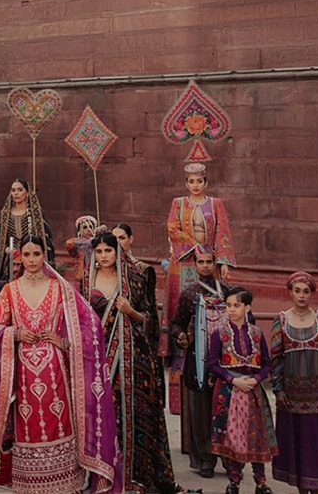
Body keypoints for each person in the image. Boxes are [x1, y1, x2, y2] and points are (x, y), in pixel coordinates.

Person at [0, 234, 119, 494]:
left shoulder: (61, 288)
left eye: (36, 254)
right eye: (27, 255)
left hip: (55, 368)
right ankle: (31, 482)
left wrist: (64, 341)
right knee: (28, 421)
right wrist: (14, 333)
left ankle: (66, 482)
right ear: (19, 257)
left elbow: (88, 326)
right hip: (23, 370)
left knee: (58, 418)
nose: (32, 260)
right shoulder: (9, 290)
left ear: (44, 255)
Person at [81, 231, 178, 494]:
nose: (103, 257)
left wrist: (130, 311)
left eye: (108, 251)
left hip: (131, 357)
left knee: (128, 410)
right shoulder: (86, 281)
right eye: (98, 252)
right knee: (98, 411)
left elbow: (148, 318)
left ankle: (134, 474)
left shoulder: (134, 280)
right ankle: (101, 473)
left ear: (118, 251)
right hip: (97, 356)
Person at [166, 160, 236, 413]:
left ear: (206, 182)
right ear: (186, 184)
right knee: (185, 308)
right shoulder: (178, 204)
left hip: (209, 262)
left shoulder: (216, 204)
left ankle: (215, 355)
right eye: (191, 182)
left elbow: (223, 232)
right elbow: (173, 229)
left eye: (199, 181)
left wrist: (223, 261)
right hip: (185, 262)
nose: (195, 185)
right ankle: (181, 356)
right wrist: (195, 248)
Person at [271, 271, 318, 493]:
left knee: (317, 444)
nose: (302, 296)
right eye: (297, 291)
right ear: (290, 292)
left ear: (312, 293)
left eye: (306, 291)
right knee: (299, 445)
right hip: (292, 394)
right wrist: (278, 391)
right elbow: (275, 357)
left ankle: (316, 488)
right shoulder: (281, 320)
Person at [208, 287, 277, 494]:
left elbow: (267, 364)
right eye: (228, 305)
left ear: (247, 307)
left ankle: (261, 482)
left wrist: (256, 379)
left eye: (236, 305)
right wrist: (233, 380)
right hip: (228, 392)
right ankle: (234, 481)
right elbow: (212, 364)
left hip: (254, 392)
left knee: (256, 437)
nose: (231, 309)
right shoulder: (219, 333)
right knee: (232, 436)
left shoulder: (256, 334)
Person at [172, 246, 229, 479]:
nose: (205, 266)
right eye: (201, 262)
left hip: (226, 361)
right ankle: (206, 459)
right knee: (201, 411)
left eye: (209, 261)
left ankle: (229, 458)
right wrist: (181, 337)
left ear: (215, 264)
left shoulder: (228, 292)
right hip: (199, 361)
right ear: (194, 265)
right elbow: (176, 323)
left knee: (226, 410)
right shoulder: (189, 295)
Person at [0, 179, 54, 301]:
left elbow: (44, 238)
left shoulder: (35, 214)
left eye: (20, 190)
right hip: (11, 262)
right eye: (13, 190)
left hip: (30, 258)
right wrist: (8, 250)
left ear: (27, 193)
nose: (16, 193)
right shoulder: (5, 214)